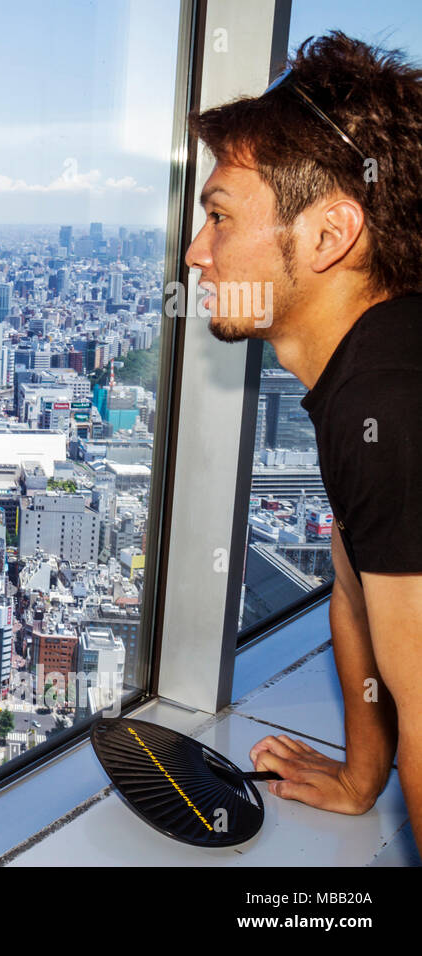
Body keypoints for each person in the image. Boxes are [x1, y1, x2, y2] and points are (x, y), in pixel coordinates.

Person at [185, 32, 422, 828]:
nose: (195, 253)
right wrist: (362, 775)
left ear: (330, 235)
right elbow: (356, 585)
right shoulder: (371, 365)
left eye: (219, 217)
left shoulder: (387, 405)